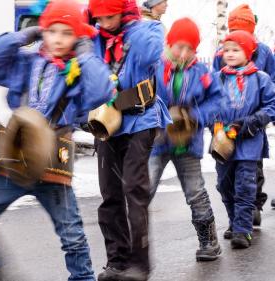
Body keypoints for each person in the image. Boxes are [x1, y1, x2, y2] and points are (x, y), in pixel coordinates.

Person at [0, 1, 114, 280]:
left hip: (52, 163)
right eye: (52, 31)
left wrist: (85, 55)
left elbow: (101, 91)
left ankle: (82, 278)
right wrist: (24, 35)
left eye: (67, 33)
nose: (58, 39)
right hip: (14, 155)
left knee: (72, 237)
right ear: (43, 31)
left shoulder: (78, 71)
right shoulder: (26, 62)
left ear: (77, 37)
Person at [88, 0, 171, 280]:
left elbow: (150, 54)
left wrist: (128, 25)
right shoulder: (94, 38)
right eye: (98, 17)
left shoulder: (148, 30)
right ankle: (117, 260)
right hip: (108, 123)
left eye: (110, 16)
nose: (104, 23)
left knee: (133, 188)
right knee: (109, 193)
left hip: (141, 119)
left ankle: (140, 264)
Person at [149, 17, 222, 261]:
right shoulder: (156, 68)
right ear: (169, 44)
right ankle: (132, 242)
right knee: (143, 188)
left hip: (187, 143)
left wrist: (195, 115)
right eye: (179, 46)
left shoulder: (202, 72)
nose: (183, 52)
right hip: (158, 142)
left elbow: (217, 101)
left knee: (195, 190)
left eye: (189, 48)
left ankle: (209, 241)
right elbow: (146, 96)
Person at [212, 4, 275, 225]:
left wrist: (257, 120)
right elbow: (209, 99)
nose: (230, 54)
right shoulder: (220, 71)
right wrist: (212, 123)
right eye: (228, 49)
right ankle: (236, 220)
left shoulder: (261, 71)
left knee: (248, 179)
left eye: (236, 49)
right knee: (225, 182)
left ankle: (246, 221)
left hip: (251, 133)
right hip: (224, 136)